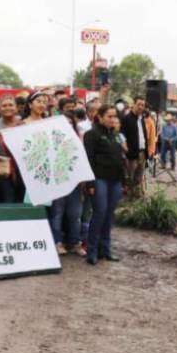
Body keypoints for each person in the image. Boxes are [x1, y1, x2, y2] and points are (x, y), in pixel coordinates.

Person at [83, 105, 125, 266]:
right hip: (99, 179)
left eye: (115, 116)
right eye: (109, 116)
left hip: (115, 180)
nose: (113, 119)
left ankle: (105, 250)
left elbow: (120, 159)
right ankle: (91, 251)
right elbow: (88, 160)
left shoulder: (115, 135)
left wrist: (123, 181)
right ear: (100, 117)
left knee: (109, 215)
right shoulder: (91, 134)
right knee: (99, 213)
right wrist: (90, 183)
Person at [49, 104, 85, 256]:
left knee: (74, 213)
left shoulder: (80, 138)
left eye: (70, 122)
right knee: (57, 212)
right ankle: (57, 242)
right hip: (56, 182)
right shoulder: (51, 140)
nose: (67, 125)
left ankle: (74, 242)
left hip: (74, 182)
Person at [120, 96, 148, 197]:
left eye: (143, 105)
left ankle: (136, 199)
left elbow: (143, 136)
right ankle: (128, 200)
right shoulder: (126, 119)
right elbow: (121, 136)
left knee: (139, 178)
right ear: (133, 105)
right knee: (130, 178)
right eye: (139, 104)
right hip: (131, 154)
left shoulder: (142, 119)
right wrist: (126, 150)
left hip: (142, 152)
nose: (141, 107)